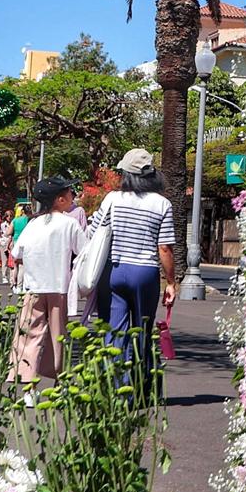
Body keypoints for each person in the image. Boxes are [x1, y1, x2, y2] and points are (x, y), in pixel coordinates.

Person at [87, 149, 177, 378]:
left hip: (114, 270)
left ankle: (115, 384)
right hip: (144, 273)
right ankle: (140, 383)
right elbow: (164, 248)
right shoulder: (162, 204)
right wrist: (171, 282)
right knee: (142, 329)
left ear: (126, 174)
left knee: (114, 331)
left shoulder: (112, 199)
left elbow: (93, 232)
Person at [11, 177, 83, 387]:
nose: (73, 196)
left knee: (29, 336)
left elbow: (17, 253)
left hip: (33, 288)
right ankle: (59, 382)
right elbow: (84, 252)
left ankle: (28, 387)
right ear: (60, 199)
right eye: (70, 192)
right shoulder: (70, 223)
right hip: (59, 287)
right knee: (58, 337)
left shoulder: (33, 223)